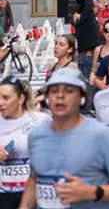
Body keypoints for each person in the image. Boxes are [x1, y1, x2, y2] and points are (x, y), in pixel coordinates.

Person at [24, 69, 109, 209]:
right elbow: (34, 179)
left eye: (69, 91)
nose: (60, 96)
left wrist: (91, 192)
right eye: (54, 91)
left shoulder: (103, 136)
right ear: (46, 98)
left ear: (81, 98)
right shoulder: (36, 135)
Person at [0, 77, 48, 209]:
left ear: (21, 99)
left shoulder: (40, 120)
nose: (0, 102)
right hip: (3, 195)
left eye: (5, 98)